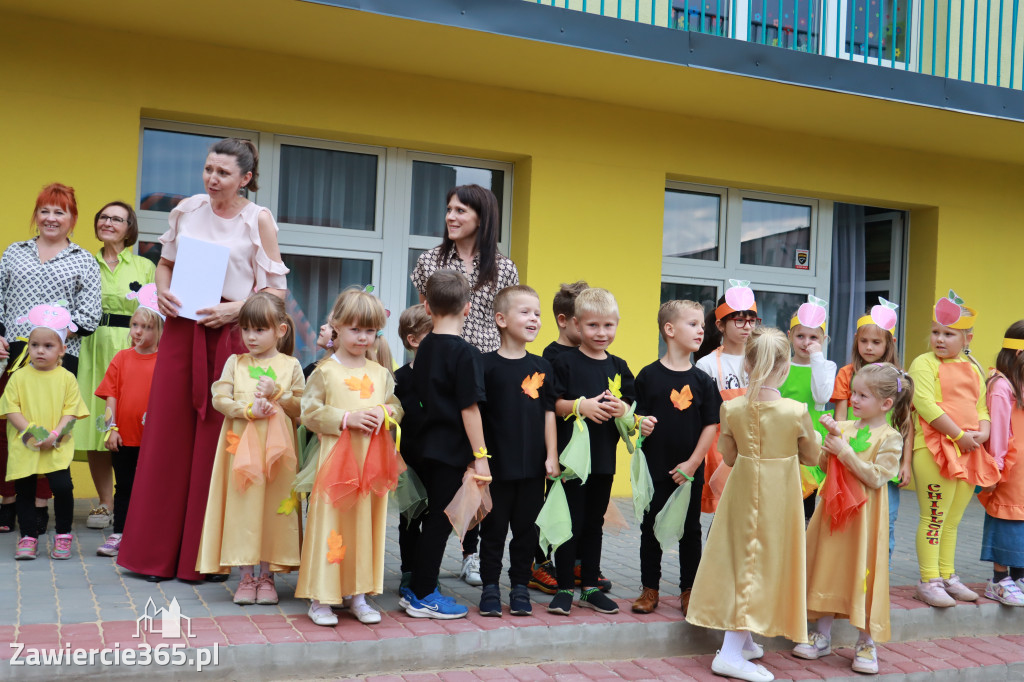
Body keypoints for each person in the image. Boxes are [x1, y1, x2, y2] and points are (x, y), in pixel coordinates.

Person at [117, 138, 289, 583]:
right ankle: (151, 556)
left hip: (231, 335)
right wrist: (163, 292)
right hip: (181, 330)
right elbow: (165, 264)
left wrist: (238, 309)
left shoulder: (258, 220)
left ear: (245, 179)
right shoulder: (188, 210)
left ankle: (203, 560)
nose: (212, 179)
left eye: (223, 173)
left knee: (218, 440)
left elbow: (276, 290)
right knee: (168, 436)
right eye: (208, 169)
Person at [687, 327, 821, 682]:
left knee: (743, 559)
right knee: (761, 563)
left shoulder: (730, 407)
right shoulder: (795, 410)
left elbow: (728, 456)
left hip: (741, 491)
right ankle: (730, 653)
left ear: (747, 364)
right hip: (779, 496)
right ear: (785, 365)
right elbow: (811, 457)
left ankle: (742, 641)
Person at [410, 184, 519, 585]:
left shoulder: (504, 268)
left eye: (461, 211)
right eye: (449, 209)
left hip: (484, 370)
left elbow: (504, 320)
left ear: (481, 217)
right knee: (443, 468)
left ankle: (471, 552)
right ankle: (420, 565)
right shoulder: (429, 260)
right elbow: (426, 312)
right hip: (443, 370)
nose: (451, 217)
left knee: (480, 463)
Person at [795, 363, 914, 675]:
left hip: (864, 521)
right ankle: (822, 634)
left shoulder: (890, 437)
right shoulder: (845, 426)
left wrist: (844, 451)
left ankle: (865, 641)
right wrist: (829, 440)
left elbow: (877, 477)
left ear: (886, 404)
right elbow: (823, 464)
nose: (855, 400)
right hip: (834, 517)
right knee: (828, 566)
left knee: (863, 572)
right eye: (854, 393)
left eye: (863, 395)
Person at [0, 183, 101, 536]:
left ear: (73, 219)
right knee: (11, 427)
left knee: (54, 426)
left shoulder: (84, 259)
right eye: (45, 210)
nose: (51, 218)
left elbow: (89, 315)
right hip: (14, 351)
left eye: (60, 212)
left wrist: (52, 340)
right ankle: (9, 500)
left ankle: (41, 504)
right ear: (36, 215)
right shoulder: (14, 252)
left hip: (60, 356)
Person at [298, 287, 402, 626]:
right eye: (355, 329)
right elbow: (309, 412)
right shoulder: (325, 371)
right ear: (337, 326)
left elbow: (397, 408)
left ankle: (358, 594)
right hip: (335, 462)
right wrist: (346, 418)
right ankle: (321, 597)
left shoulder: (380, 373)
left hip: (370, 462)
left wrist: (386, 411)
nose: (362, 337)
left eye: (370, 330)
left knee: (364, 525)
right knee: (330, 524)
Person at [197, 293, 304, 606]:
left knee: (274, 506)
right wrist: (247, 411)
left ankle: (268, 575)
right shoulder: (236, 363)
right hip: (239, 449)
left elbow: (302, 406)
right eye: (246, 330)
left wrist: (278, 393)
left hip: (279, 456)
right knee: (243, 506)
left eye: (259, 330)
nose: (251, 337)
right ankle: (246, 575)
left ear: (280, 331)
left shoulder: (290, 365)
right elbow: (220, 398)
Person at [400, 270, 488, 620]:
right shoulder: (466, 354)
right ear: (467, 308)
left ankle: (417, 585)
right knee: (442, 521)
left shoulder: (426, 347)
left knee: (428, 519)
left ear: (426, 305)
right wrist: (481, 456)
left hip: (423, 446)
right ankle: (423, 593)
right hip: (450, 450)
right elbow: (470, 408)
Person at [908, 290, 997, 607]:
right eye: (935, 332)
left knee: (953, 520)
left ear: (967, 338)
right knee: (933, 516)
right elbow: (924, 404)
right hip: (935, 450)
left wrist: (982, 433)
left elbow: (981, 407)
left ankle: (947, 574)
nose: (940, 339)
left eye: (949, 334)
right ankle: (928, 578)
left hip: (969, 450)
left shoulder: (973, 367)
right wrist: (959, 435)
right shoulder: (923, 363)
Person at [548, 287, 634, 616]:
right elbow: (552, 404)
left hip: (603, 459)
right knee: (570, 522)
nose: (601, 333)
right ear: (577, 325)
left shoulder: (619, 365)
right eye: (593, 326)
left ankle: (590, 588)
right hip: (572, 460)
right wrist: (580, 406)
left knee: (594, 523)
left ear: (617, 324)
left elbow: (631, 406)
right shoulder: (564, 362)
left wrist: (621, 408)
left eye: (608, 326)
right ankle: (564, 587)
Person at [632, 300, 720, 616]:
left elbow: (712, 424)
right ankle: (649, 589)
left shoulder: (703, 381)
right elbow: (632, 415)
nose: (701, 330)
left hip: (690, 469)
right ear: (670, 330)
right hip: (655, 467)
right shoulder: (647, 376)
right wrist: (638, 422)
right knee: (651, 525)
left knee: (689, 529)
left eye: (702, 325)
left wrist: (694, 463)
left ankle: (689, 589)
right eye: (693, 324)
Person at [478, 285, 559, 617]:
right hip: (496, 468)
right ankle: (490, 588)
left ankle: (521, 587)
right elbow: (477, 417)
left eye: (537, 314)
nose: (534, 319)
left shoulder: (542, 366)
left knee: (527, 533)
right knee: (494, 532)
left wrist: (552, 454)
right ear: (501, 319)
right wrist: (478, 459)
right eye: (525, 312)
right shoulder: (484, 366)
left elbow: (550, 412)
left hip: (532, 469)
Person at [75, 201, 155, 532]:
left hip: (132, 344)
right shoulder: (82, 261)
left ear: (129, 227)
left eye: (117, 219)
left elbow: (153, 313)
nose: (109, 223)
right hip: (93, 346)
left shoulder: (144, 266)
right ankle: (106, 504)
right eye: (104, 217)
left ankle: (135, 500)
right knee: (100, 423)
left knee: (133, 421)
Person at [1, 303, 90, 560]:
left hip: (56, 443)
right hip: (24, 443)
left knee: (62, 487)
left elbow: (71, 412)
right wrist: (30, 432)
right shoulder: (18, 377)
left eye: (48, 346)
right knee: (25, 490)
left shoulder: (66, 378)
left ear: (62, 349)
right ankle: (28, 537)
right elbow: (10, 408)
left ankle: (63, 535)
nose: (40, 351)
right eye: (34, 345)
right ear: (27, 346)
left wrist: (54, 435)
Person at [831, 299, 913, 562]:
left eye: (876, 342)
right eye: (864, 341)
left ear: (890, 342)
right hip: (855, 457)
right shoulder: (847, 373)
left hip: (884, 460)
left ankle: (879, 578)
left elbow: (906, 423)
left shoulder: (899, 379)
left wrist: (906, 463)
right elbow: (841, 417)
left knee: (886, 521)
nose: (869, 347)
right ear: (856, 340)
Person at [93, 288, 163, 557]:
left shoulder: (164, 362)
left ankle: (148, 534)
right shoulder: (121, 358)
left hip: (153, 440)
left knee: (151, 488)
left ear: (159, 331)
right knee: (124, 487)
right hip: (125, 438)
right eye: (135, 325)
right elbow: (110, 396)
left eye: (146, 327)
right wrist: (111, 429)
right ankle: (119, 533)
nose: (138, 331)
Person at [531, 280, 589, 595]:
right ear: (564, 320)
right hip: (560, 446)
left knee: (579, 510)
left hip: (584, 451)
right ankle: (538, 562)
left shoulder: (590, 353)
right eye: (586, 320)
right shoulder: (551, 357)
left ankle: (576, 561)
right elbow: (549, 405)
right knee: (553, 506)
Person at [694, 281, 758, 514]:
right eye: (739, 320)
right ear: (720, 325)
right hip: (720, 450)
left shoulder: (761, 360)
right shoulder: (707, 364)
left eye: (751, 320)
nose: (747, 327)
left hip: (755, 445)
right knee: (723, 513)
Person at [778, 296, 837, 519]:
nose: (806, 342)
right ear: (789, 336)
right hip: (784, 437)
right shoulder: (782, 367)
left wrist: (817, 358)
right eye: (800, 336)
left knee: (806, 502)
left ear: (824, 340)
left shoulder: (826, 366)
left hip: (812, 439)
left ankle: (801, 547)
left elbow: (822, 395)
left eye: (814, 338)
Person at [978, 321, 1024, 606]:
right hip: (1007, 468)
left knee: (1021, 519)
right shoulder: (1000, 386)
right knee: (1005, 519)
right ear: (1018, 355)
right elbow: (998, 431)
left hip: (1022, 471)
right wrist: (994, 467)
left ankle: (1019, 575)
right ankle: (998, 580)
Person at [393, 304, 432, 594]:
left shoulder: (446, 377)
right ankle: (408, 569)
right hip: (408, 462)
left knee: (434, 521)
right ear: (413, 340)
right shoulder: (399, 378)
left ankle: (427, 571)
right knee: (409, 520)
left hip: (439, 460)